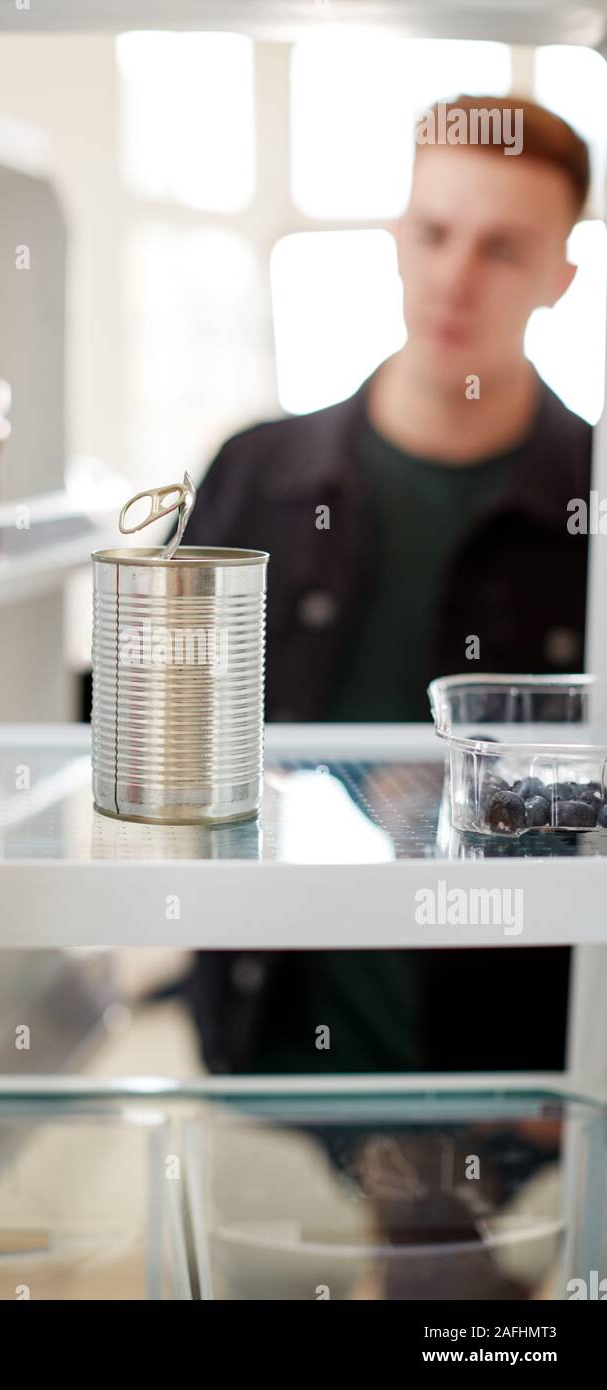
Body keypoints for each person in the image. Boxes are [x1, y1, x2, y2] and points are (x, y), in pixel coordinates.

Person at [183, 94, 592, 1077]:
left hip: (524, 1081)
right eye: (434, 232)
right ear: (395, 239)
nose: (454, 279)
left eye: (501, 249)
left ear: (558, 278)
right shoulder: (254, 472)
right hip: (267, 1066)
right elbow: (171, 758)